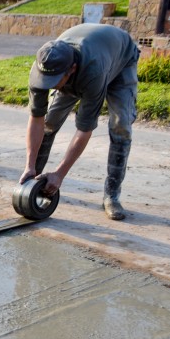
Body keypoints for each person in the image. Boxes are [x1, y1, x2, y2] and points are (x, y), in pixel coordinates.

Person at [21, 23, 140, 220]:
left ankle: (112, 197)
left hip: (120, 59)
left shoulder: (94, 72)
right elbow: (36, 119)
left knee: (121, 125)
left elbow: (84, 130)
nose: (50, 86)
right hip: (87, 56)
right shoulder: (43, 67)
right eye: (46, 81)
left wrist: (59, 174)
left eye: (54, 82)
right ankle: (35, 180)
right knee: (50, 121)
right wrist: (29, 165)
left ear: (72, 70)